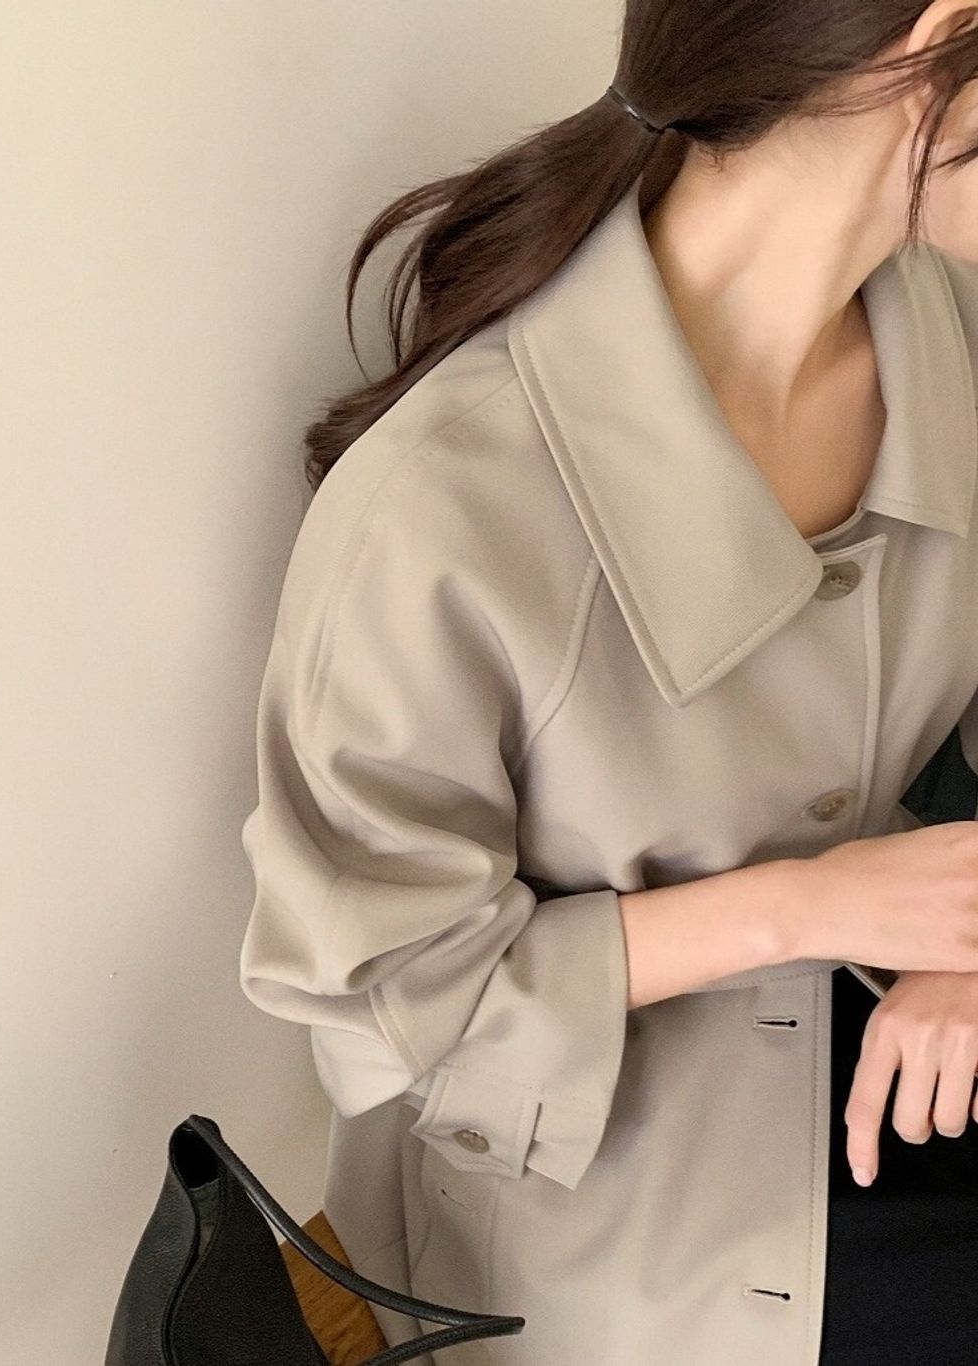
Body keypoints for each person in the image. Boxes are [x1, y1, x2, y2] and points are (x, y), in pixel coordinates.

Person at [238, 3, 978, 1362]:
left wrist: (962, 939)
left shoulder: (954, 334)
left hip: (917, 1065)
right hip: (624, 1220)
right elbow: (385, 1003)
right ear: (934, 43)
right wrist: (809, 904)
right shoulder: (443, 507)